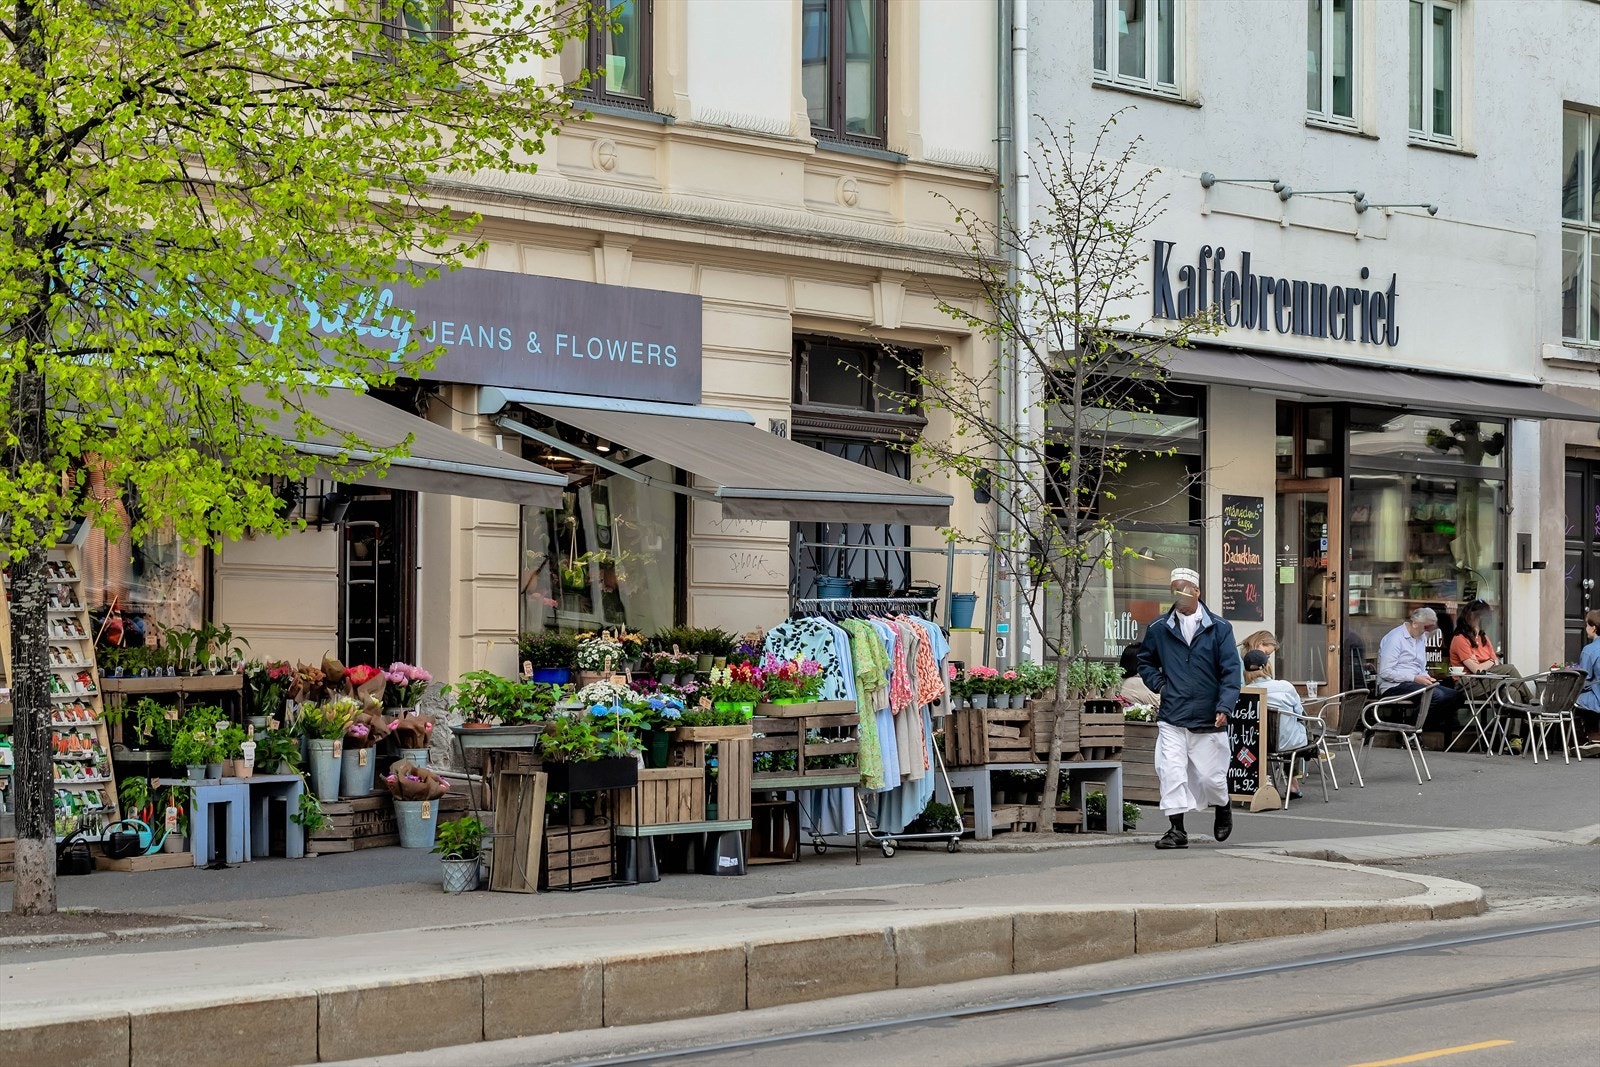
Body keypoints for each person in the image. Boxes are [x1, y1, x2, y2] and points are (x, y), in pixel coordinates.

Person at [1137, 567, 1241, 851]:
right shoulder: (1159, 628)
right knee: (1171, 772)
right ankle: (1176, 830)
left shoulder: (1219, 628)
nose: (1178, 595)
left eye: (1183, 589)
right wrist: (1160, 685)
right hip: (1173, 715)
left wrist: (1225, 706)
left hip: (1208, 717)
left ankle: (1222, 804)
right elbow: (1144, 661)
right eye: (1174, 589)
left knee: (1211, 777)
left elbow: (1231, 672)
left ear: (1197, 592)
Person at [1375, 607, 1464, 732]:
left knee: (1456, 696)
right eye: (1427, 627)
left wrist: (1426, 677)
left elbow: (1420, 667)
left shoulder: (1421, 637)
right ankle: (1409, 732)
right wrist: (1414, 678)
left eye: (1432, 628)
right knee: (1435, 696)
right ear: (1415, 623)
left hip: (1414, 682)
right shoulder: (1395, 638)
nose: (1429, 631)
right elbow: (1385, 672)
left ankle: (1425, 727)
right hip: (1393, 685)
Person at [1243, 648, 1307, 798]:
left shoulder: (1245, 692)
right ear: (1267, 666)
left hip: (1256, 745)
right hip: (1287, 743)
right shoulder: (1285, 687)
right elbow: (1299, 712)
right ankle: (1292, 784)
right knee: (1299, 728)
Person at [1575, 609, 1600, 754]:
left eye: (1586, 625)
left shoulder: (1589, 650)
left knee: (1575, 699)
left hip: (1597, 697)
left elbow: (1583, 680)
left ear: (1594, 627)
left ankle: (1587, 738)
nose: (1585, 628)